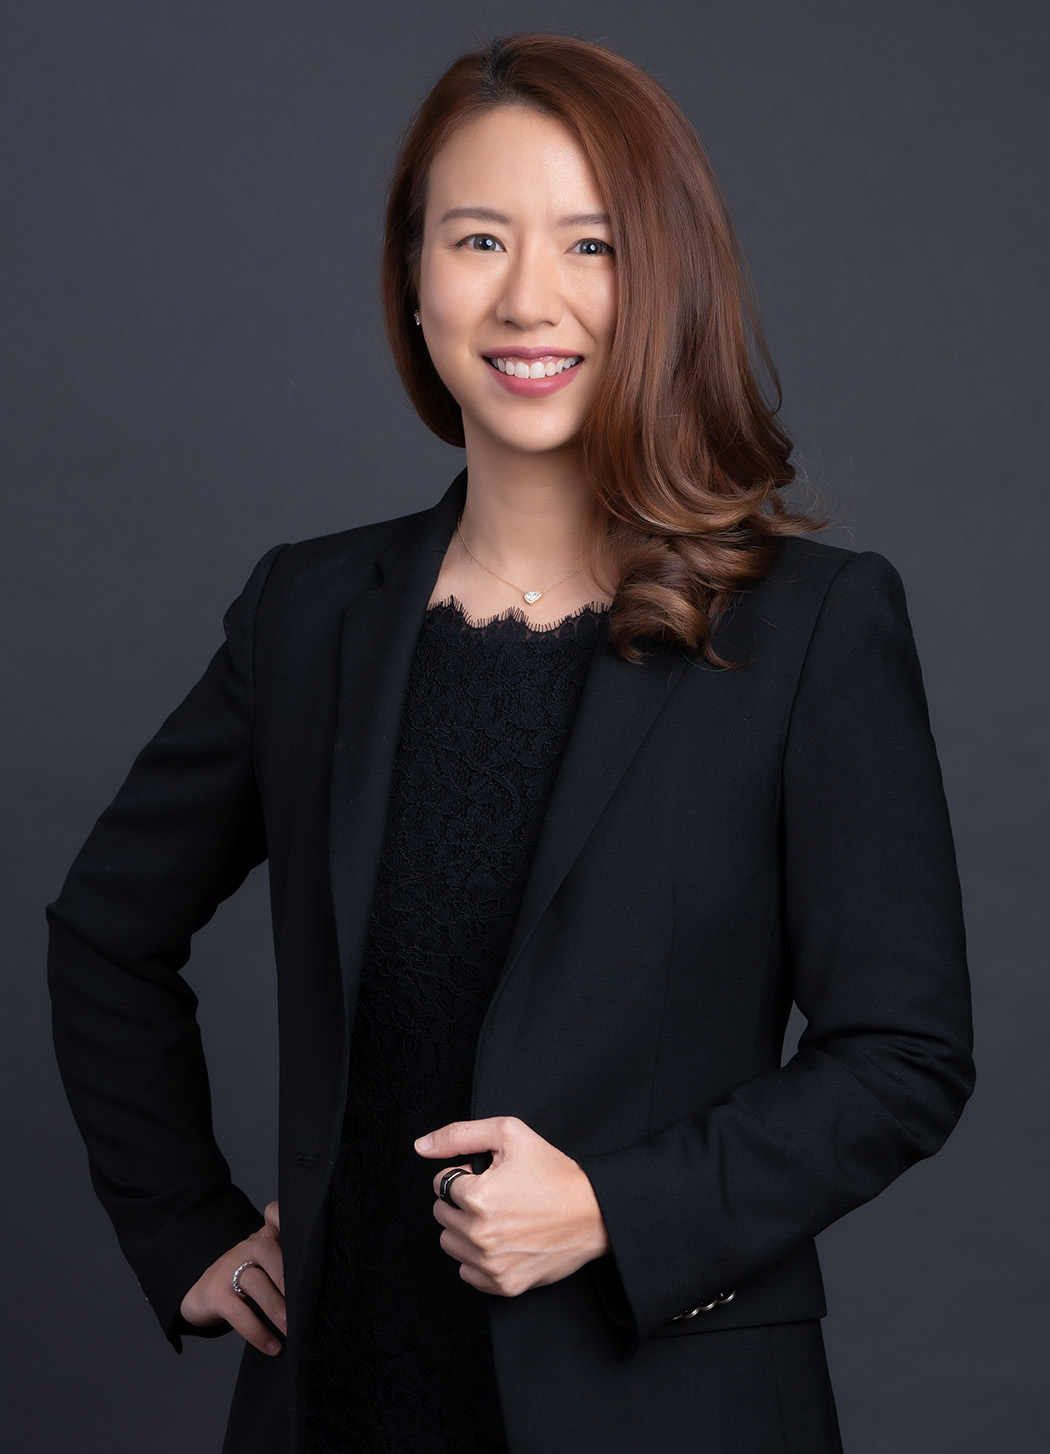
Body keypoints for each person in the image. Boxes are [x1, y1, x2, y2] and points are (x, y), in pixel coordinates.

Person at [47, 32, 974, 1454]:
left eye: (591, 245)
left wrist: (613, 1207)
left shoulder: (812, 628)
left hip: (666, 1405)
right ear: (412, 278)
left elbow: (902, 1054)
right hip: (344, 1399)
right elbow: (107, 930)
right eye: (478, 239)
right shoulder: (309, 615)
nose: (528, 297)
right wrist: (184, 1225)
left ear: (664, 279)